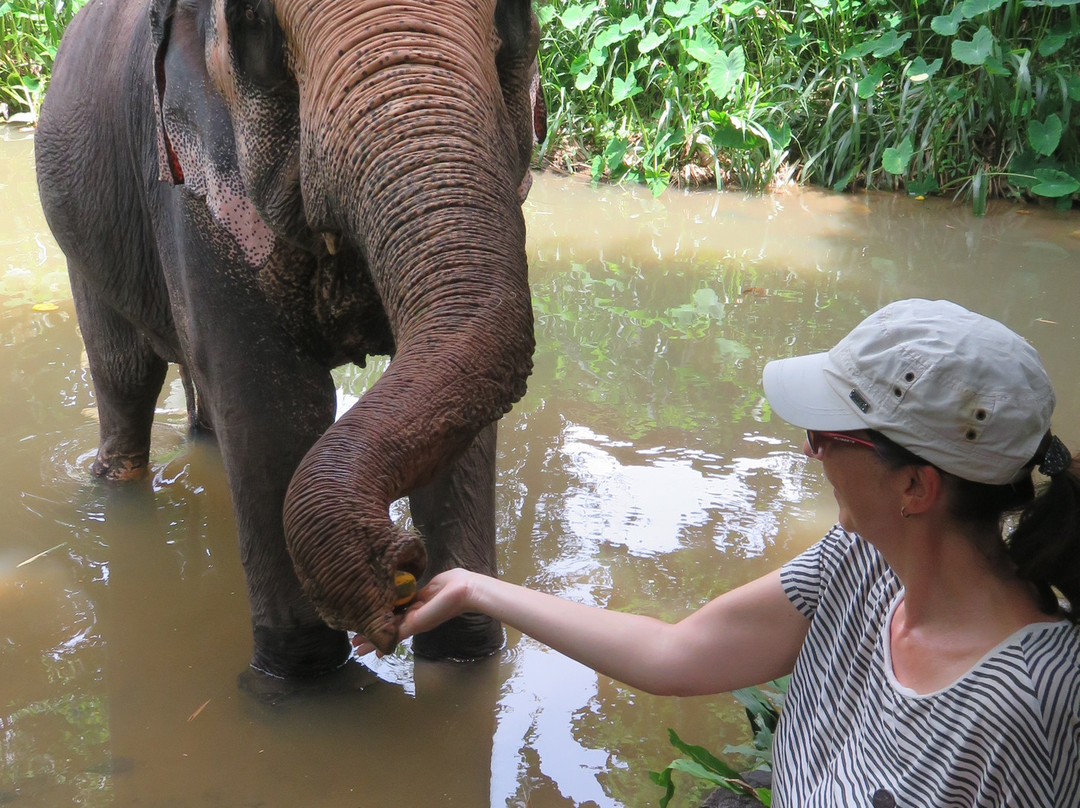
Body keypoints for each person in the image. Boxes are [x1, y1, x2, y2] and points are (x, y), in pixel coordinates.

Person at [354, 298, 1080, 807]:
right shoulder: (860, 568)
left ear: (917, 487)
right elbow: (677, 654)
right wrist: (477, 589)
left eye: (831, 436)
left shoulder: (1033, 698)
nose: (809, 447)